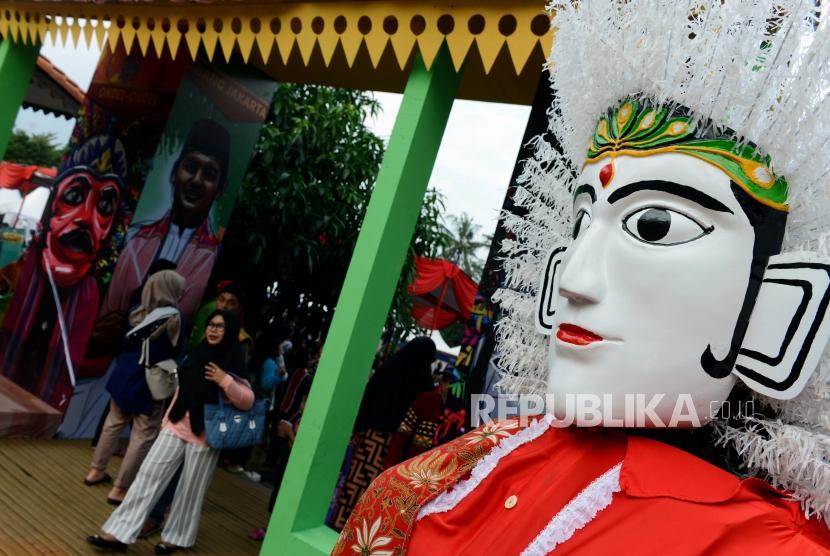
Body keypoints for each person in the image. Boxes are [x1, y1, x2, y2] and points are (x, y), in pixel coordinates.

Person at [332, 2, 830, 554]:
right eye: (579, 222)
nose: (574, 276)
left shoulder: (772, 545)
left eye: (655, 225)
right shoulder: (460, 471)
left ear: (783, 316)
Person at [86, 309, 253, 554]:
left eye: (220, 327)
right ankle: (118, 533)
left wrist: (224, 380)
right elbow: (180, 391)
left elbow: (247, 401)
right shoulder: (197, 353)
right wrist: (166, 420)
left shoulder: (232, 361)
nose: (213, 330)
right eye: (210, 325)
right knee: (147, 477)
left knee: (190, 490)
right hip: (176, 426)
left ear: (229, 332)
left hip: (205, 436)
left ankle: (175, 537)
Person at [0, 135, 125, 412]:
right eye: (74, 197)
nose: (85, 219)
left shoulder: (91, 295)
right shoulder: (21, 269)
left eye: (104, 207)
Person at [95, 119, 232, 352]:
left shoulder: (211, 257)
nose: (196, 180)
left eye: (209, 174)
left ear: (219, 189)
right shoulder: (137, 240)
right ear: (174, 173)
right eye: (190, 167)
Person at [84, 270, 186, 505]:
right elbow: (177, 349)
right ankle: (120, 488)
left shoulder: (137, 312)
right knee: (143, 434)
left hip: (124, 375)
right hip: (148, 382)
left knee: (113, 424)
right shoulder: (173, 318)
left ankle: (95, 471)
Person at [328, 337, 436, 530]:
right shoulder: (424, 382)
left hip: (371, 434)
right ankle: (359, 529)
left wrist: (359, 428)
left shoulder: (389, 367)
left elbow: (368, 397)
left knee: (356, 479)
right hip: (395, 445)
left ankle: (340, 523)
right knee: (376, 488)